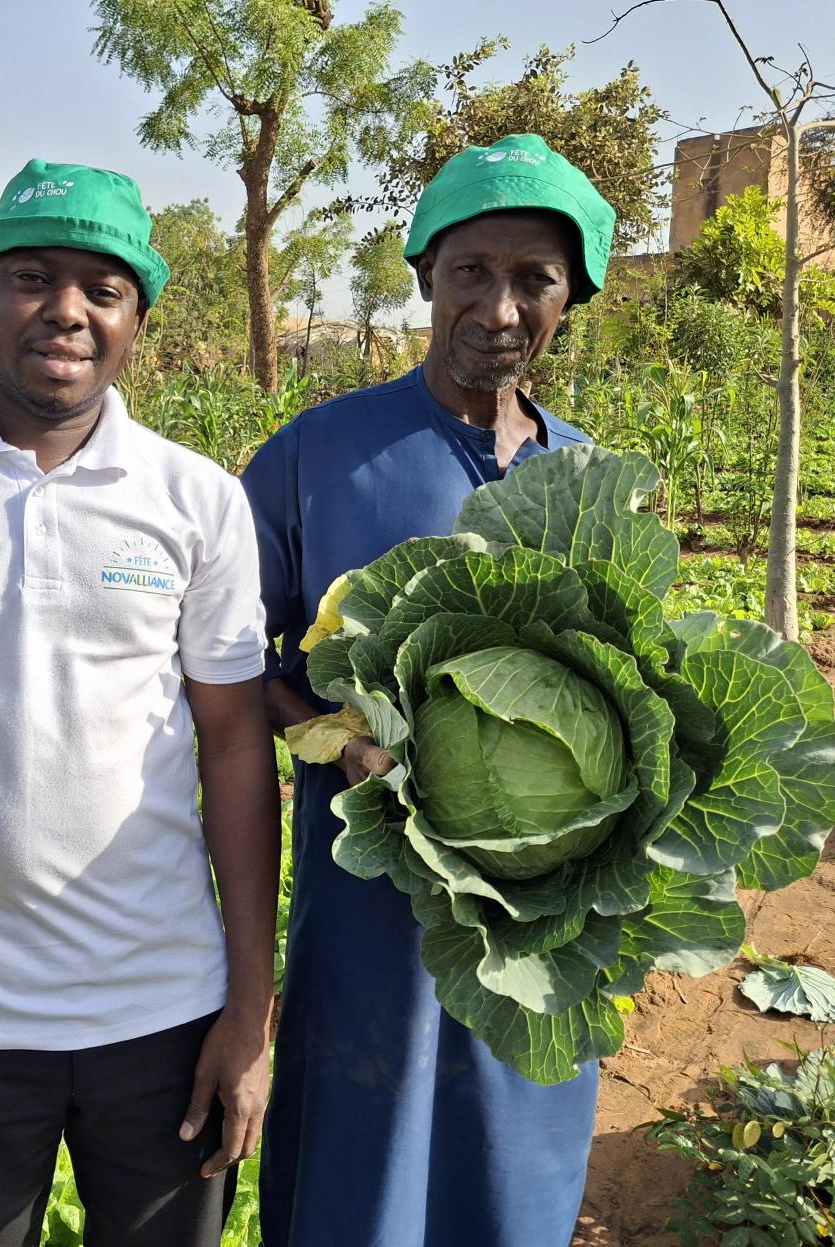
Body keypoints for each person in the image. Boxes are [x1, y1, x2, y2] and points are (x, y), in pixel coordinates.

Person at [0, 159, 279, 1247]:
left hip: (161, 1004)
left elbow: (231, 741)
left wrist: (248, 1007)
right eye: (31, 276)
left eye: (103, 288)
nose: (66, 309)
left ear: (134, 322)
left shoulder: (194, 498)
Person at [240, 133, 619, 1247]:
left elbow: (635, 685)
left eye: (534, 278)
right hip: (369, 913)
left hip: (535, 927)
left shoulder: (588, 476)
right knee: (357, 1183)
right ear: (424, 276)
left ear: (570, 296)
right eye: (470, 270)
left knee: (511, 1182)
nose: (499, 307)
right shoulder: (321, 452)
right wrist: (331, 736)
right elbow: (227, 658)